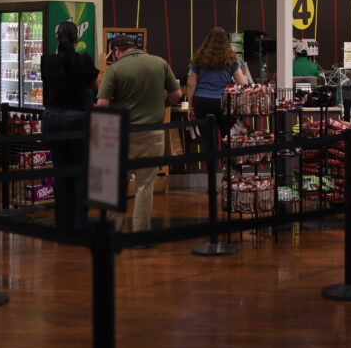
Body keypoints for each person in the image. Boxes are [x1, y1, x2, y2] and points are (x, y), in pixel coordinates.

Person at [96, 35, 182, 235]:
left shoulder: (114, 69)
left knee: (117, 184)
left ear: (117, 50)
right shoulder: (160, 63)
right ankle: (141, 233)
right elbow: (177, 94)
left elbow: (102, 104)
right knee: (145, 186)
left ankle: (113, 231)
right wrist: (161, 105)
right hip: (153, 133)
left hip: (122, 135)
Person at [40, 21, 98, 232]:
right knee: (80, 173)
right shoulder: (84, 60)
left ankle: (61, 222)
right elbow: (94, 85)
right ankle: (79, 223)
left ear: (57, 38)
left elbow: (49, 84)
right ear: (77, 39)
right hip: (78, 118)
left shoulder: (47, 61)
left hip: (52, 117)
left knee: (60, 171)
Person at [185, 27, 247, 137]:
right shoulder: (231, 59)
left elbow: (191, 84)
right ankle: (226, 154)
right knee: (227, 138)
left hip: (202, 101)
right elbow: (242, 83)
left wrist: (190, 106)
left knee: (206, 139)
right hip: (224, 102)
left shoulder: (198, 58)